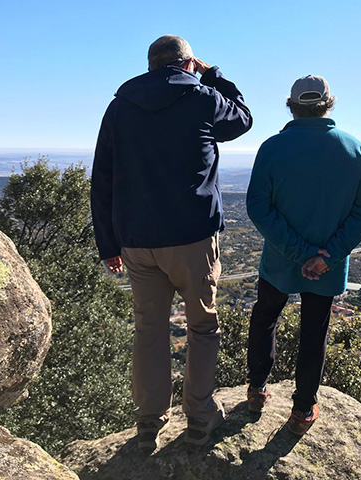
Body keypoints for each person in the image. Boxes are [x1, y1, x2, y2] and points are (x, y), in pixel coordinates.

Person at [90, 35, 252, 449]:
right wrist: (214, 75)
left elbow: (102, 176)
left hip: (137, 241)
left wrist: (108, 243)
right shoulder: (201, 97)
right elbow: (243, 119)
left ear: (149, 66)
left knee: (148, 329)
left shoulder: (120, 106)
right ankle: (199, 416)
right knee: (201, 325)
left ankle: (149, 421)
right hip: (191, 236)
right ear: (187, 65)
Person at [245, 75, 361, 436]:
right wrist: (327, 256)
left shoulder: (273, 148)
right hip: (328, 267)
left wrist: (297, 252)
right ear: (328, 104)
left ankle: (257, 388)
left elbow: (257, 206)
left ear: (291, 106)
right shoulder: (355, 149)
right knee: (314, 331)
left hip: (278, 260)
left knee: (265, 316)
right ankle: (303, 408)